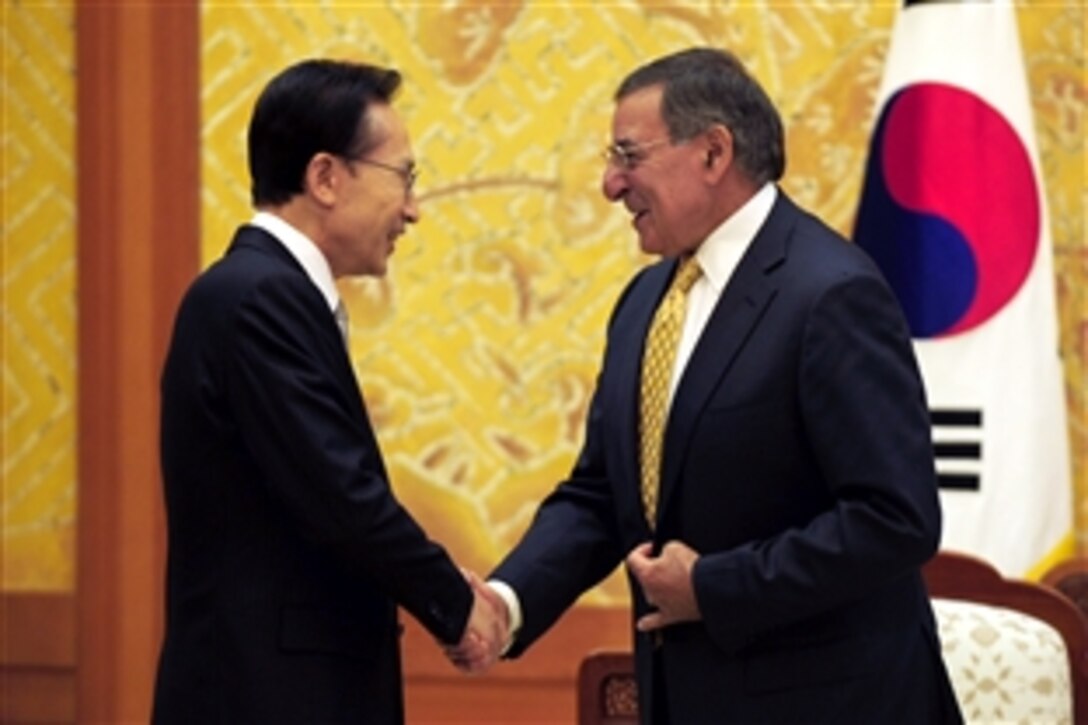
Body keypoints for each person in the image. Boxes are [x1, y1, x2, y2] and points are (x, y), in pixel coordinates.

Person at [475, 48, 963, 723]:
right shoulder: (645, 300)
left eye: (628, 155)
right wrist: (505, 602)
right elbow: (600, 496)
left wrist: (713, 585)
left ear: (712, 153)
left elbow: (895, 519)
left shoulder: (830, 292)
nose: (610, 185)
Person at [152, 59, 503, 724]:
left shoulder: (266, 294)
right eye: (403, 177)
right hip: (263, 696)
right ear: (325, 177)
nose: (412, 209)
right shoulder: (256, 297)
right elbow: (341, 493)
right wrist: (455, 606)